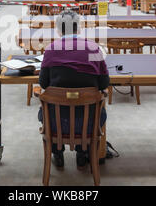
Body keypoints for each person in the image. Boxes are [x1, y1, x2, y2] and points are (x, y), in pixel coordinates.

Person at [39, 10, 109, 168]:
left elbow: (43, 83)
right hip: (91, 120)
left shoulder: (51, 50)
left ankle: (57, 153)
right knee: (96, 110)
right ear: (79, 29)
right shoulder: (94, 49)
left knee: (47, 110)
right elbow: (104, 83)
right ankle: (82, 151)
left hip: (55, 122)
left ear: (58, 30)